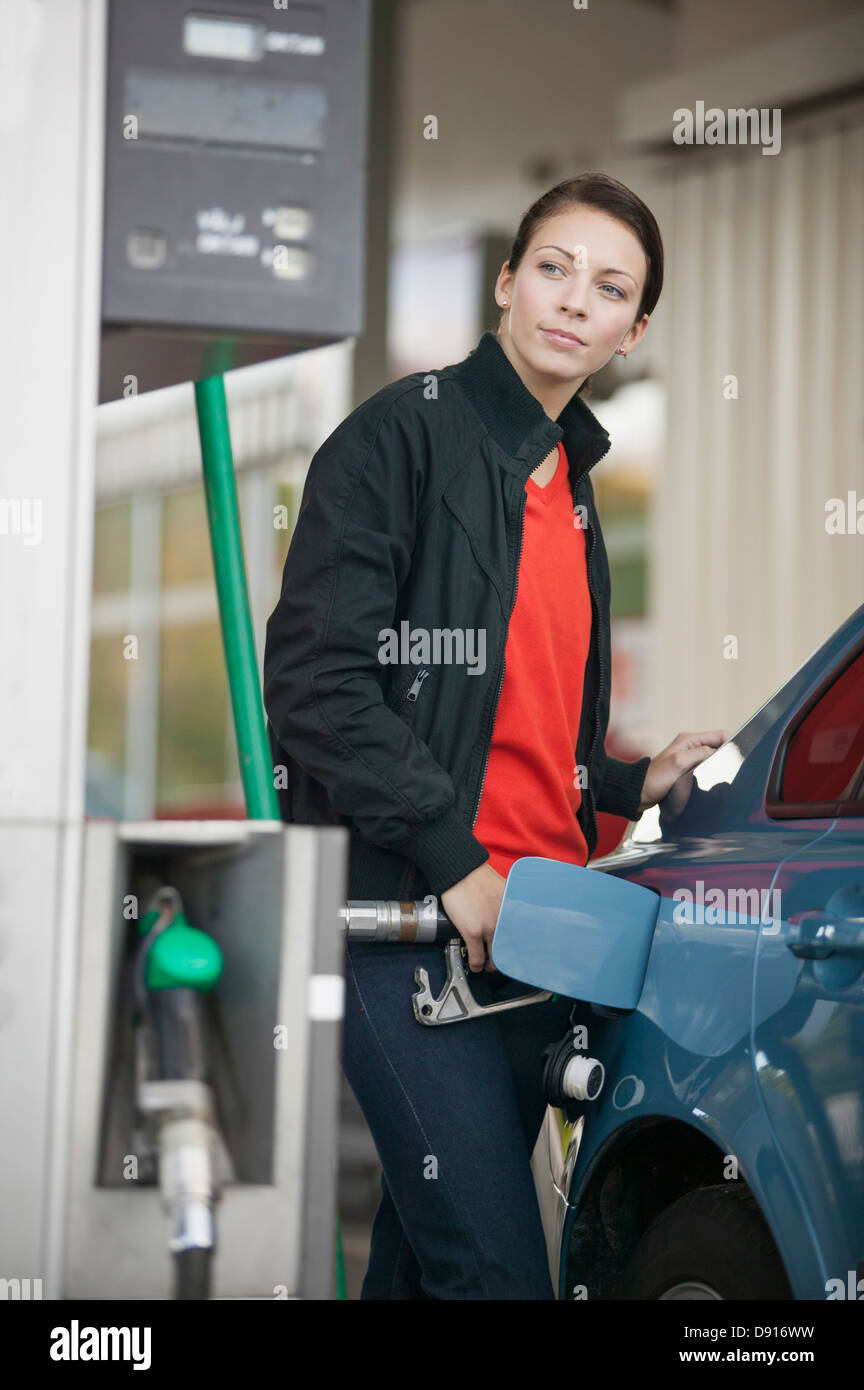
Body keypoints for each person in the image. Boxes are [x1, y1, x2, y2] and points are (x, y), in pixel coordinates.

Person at [263, 172, 727, 1299]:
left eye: (610, 288)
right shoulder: (395, 440)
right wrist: (455, 863)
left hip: (536, 935)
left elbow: (526, 732)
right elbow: (318, 683)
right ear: (509, 283)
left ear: (634, 331)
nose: (576, 300)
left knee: (426, 1276)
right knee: (500, 1275)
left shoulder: (570, 487)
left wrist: (627, 776)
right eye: (555, 269)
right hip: (412, 925)